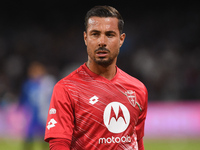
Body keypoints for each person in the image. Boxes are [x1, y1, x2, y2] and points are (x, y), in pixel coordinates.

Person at [44, 5, 148, 150]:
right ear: (86, 38)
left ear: (121, 39)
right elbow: (58, 144)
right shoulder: (66, 89)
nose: (102, 42)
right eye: (95, 34)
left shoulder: (138, 89)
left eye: (110, 35)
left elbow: (137, 142)